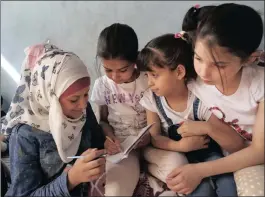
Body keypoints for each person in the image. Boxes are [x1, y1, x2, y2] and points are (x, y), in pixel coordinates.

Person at [166, 3, 264, 196]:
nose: (204, 72)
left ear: (249, 59)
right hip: (231, 153)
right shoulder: (195, 81)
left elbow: (259, 151)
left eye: (219, 65)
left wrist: (200, 171)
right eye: (198, 58)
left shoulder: (258, 85)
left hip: (255, 156)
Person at [138, 33, 244, 196]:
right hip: (181, 159)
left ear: (179, 72)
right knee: (201, 191)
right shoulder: (152, 100)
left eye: (155, 75)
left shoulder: (199, 97)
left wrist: (205, 127)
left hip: (210, 156)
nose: (149, 82)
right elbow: (155, 137)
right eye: (147, 75)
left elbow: (233, 141)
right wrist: (179, 146)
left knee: (227, 184)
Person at [2, 43, 106, 196]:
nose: (83, 105)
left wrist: (106, 146)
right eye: (74, 99)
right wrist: (71, 179)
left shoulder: (84, 109)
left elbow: (97, 142)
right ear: (50, 97)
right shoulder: (25, 135)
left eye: (86, 94)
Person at [90, 23, 150, 196]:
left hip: (153, 142)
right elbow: (102, 120)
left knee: (177, 167)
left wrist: (149, 138)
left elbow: (159, 118)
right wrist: (110, 137)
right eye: (108, 70)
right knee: (116, 191)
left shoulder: (148, 80)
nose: (115, 77)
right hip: (122, 147)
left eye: (122, 70)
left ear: (135, 60)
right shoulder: (102, 85)